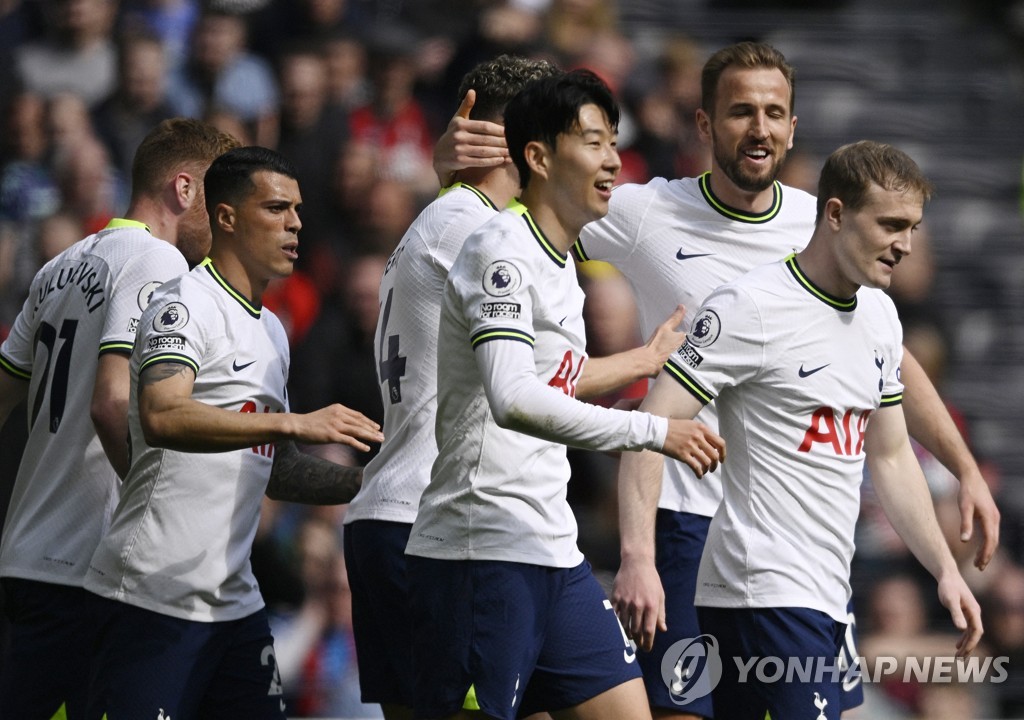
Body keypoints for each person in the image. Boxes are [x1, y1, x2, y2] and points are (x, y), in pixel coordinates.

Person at [432, 40, 1000, 719]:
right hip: (683, 520)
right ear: (704, 126)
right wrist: (458, 185)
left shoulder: (821, 224)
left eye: (773, 112)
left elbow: (889, 361)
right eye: (739, 112)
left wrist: (961, 464)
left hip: (787, 536)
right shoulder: (643, 213)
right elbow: (527, 223)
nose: (758, 128)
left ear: (793, 127)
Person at [343, 54, 688, 720]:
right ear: (529, 145)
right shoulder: (486, 236)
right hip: (442, 519)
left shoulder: (464, 223)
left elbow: (538, 374)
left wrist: (640, 362)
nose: (602, 157)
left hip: (483, 522)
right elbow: (517, 392)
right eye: (582, 136)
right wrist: (651, 426)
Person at [619, 140, 983, 718]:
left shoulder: (881, 317)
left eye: (912, 228)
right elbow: (650, 424)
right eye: (890, 224)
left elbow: (889, 457)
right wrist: (637, 555)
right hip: (760, 593)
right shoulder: (751, 307)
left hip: (827, 599)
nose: (905, 245)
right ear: (835, 214)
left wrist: (943, 569)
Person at [83, 146, 384, 718]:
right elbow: (162, 414)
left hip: (234, 605)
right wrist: (292, 420)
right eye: (276, 208)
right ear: (225, 217)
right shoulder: (182, 304)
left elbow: (281, 468)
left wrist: (379, 483)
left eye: (297, 209)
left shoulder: (272, 329)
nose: (295, 223)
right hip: (152, 598)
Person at [0, 117, 238, 720]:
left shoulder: (60, 264)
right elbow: (110, 402)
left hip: (28, 551)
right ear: (184, 189)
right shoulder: (158, 266)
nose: (228, 217)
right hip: (88, 564)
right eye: (222, 196)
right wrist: (159, 504)